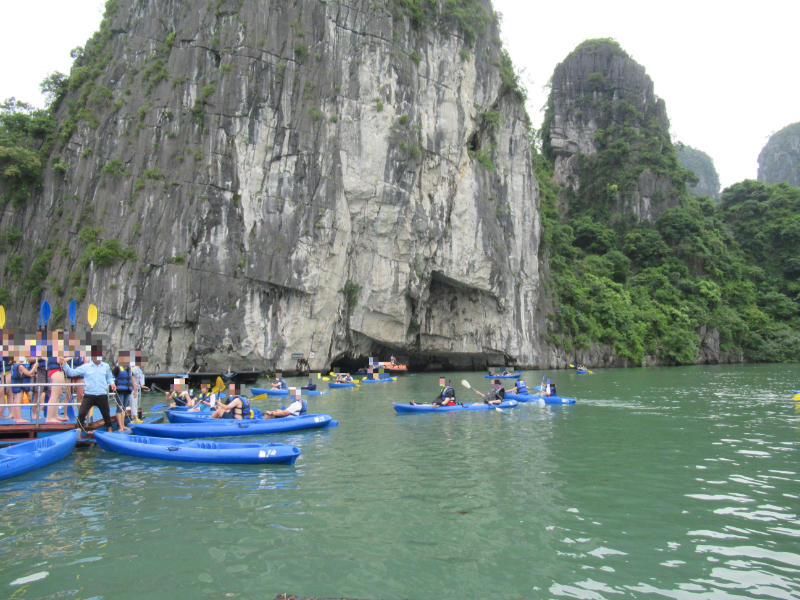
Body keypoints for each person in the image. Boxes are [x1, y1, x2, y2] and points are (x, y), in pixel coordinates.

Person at [59, 336, 117, 439]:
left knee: (106, 414)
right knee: (82, 414)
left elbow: (109, 377)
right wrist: (65, 365)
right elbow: (72, 373)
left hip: (102, 394)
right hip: (89, 395)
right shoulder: (86, 366)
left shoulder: (106, 366)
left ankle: (109, 429)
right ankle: (79, 433)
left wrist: (112, 383)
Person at [10, 354, 36, 423]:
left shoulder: (13, 365)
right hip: (19, 385)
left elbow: (23, 374)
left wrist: (32, 375)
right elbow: (28, 373)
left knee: (16, 401)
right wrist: (34, 367)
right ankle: (19, 418)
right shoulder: (20, 366)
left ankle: (16, 417)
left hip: (15, 384)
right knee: (18, 401)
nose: (24, 358)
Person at [112, 351, 135, 432]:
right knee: (119, 408)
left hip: (127, 390)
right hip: (120, 390)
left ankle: (123, 425)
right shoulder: (118, 368)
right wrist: (113, 385)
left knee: (124, 408)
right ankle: (120, 426)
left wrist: (135, 390)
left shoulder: (129, 369)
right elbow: (111, 377)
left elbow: (132, 379)